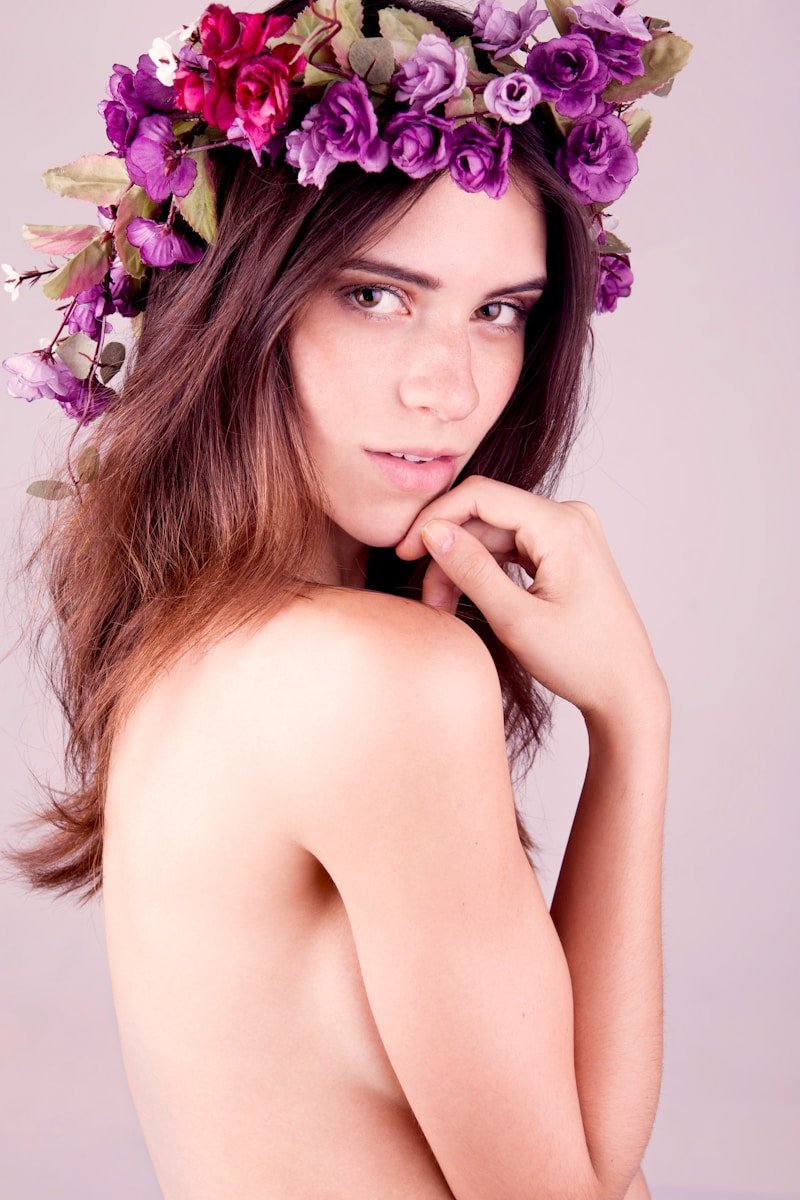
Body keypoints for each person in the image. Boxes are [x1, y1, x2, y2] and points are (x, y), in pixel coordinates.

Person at [2, 0, 688, 1195]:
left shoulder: (189, 644)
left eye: (498, 312)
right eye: (374, 295)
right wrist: (632, 717)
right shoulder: (373, 678)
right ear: (242, 303)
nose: (447, 384)